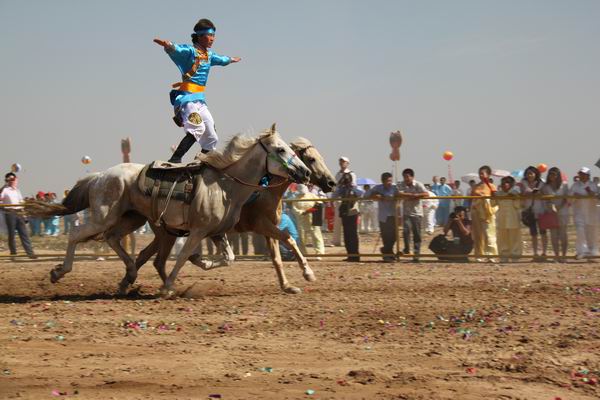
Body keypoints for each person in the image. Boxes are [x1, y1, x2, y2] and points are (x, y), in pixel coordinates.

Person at [154, 18, 241, 163]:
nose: (212, 39)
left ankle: (200, 164)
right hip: (187, 100)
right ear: (200, 36)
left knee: (212, 137)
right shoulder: (190, 52)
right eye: (209, 35)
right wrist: (168, 45)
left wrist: (231, 59)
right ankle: (174, 159)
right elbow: (177, 49)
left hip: (200, 101)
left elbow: (221, 59)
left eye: (213, 36)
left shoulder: (209, 55)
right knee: (198, 128)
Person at [364, 172, 400, 262]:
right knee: (386, 236)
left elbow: (400, 195)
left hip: (393, 214)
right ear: (383, 181)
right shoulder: (378, 188)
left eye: (391, 180)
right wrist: (375, 196)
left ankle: (385, 250)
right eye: (388, 181)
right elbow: (366, 195)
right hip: (383, 216)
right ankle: (388, 255)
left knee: (394, 236)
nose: (390, 182)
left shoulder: (395, 188)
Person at [0, 173, 36, 258]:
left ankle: (30, 253)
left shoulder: (17, 190)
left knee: (24, 233)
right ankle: (13, 253)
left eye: (14, 179)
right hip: (10, 212)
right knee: (12, 234)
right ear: (8, 180)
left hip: (19, 213)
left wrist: (24, 215)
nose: (14, 181)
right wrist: (5, 185)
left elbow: (21, 202)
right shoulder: (5, 190)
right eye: (11, 179)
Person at [397, 169, 428, 262]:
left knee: (417, 234)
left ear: (412, 177)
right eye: (404, 177)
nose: (406, 179)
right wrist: (411, 195)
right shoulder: (401, 184)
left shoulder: (418, 184)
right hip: (406, 213)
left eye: (407, 176)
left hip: (417, 213)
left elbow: (426, 193)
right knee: (406, 230)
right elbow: (399, 193)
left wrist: (416, 196)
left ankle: (416, 254)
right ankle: (406, 248)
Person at [470, 165, 498, 262]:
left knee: (488, 233)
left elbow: (495, 199)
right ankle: (479, 255)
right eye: (480, 173)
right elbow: (471, 198)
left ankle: (491, 254)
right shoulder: (476, 186)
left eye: (483, 173)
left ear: (488, 174)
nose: (481, 175)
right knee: (478, 234)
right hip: (476, 211)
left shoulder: (492, 186)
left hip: (487, 212)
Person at [519, 166, 547, 261]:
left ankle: (544, 253)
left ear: (536, 174)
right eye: (528, 173)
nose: (529, 175)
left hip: (540, 210)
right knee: (533, 233)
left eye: (531, 173)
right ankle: (535, 254)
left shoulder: (541, 183)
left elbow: (544, 194)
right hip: (529, 210)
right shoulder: (524, 183)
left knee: (543, 232)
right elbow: (524, 193)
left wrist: (536, 193)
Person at [570, 167, 599, 259]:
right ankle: (582, 251)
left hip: (592, 212)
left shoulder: (594, 185)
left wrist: (592, 193)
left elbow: (598, 198)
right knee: (580, 231)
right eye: (580, 174)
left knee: (592, 232)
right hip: (579, 212)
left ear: (588, 175)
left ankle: (593, 250)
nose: (581, 176)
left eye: (584, 174)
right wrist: (574, 196)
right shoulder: (575, 185)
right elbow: (568, 199)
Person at [541, 167, 569, 262]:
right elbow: (545, 198)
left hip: (563, 212)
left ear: (558, 175)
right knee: (554, 236)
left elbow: (566, 198)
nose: (552, 176)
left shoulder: (564, 185)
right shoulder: (546, 186)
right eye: (551, 174)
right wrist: (551, 206)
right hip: (551, 212)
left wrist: (559, 207)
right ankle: (556, 256)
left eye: (554, 174)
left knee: (563, 235)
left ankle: (564, 256)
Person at [335, 167, 362, 262]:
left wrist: (352, 189)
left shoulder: (355, 188)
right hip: (345, 212)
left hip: (353, 212)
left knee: (353, 234)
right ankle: (350, 255)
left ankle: (355, 255)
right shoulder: (342, 189)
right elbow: (334, 195)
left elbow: (361, 194)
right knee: (346, 234)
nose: (346, 181)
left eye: (347, 179)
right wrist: (339, 185)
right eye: (345, 179)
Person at [290, 184, 325, 258]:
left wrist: (315, 207)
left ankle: (319, 253)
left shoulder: (312, 196)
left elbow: (320, 202)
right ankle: (303, 254)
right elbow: (294, 209)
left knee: (316, 236)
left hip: (312, 218)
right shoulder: (296, 198)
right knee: (302, 238)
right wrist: (303, 212)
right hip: (302, 220)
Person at [493, 176, 522, 262]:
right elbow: (493, 204)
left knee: (514, 238)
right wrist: (493, 196)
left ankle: (515, 256)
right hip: (502, 219)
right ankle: (503, 256)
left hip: (513, 219)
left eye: (507, 183)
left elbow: (518, 205)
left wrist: (514, 197)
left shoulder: (515, 192)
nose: (505, 185)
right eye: (503, 183)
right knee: (502, 238)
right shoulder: (498, 194)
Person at [332, 156, 356, 247]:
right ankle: (336, 241)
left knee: (350, 225)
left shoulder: (351, 174)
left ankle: (351, 244)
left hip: (349, 201)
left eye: (344, 162)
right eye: (341, 162)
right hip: (340, 200)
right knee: (338, 222)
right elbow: (336, 188)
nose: (342, 163)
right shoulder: (337, 174)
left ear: (347, 163)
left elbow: (353, 186)